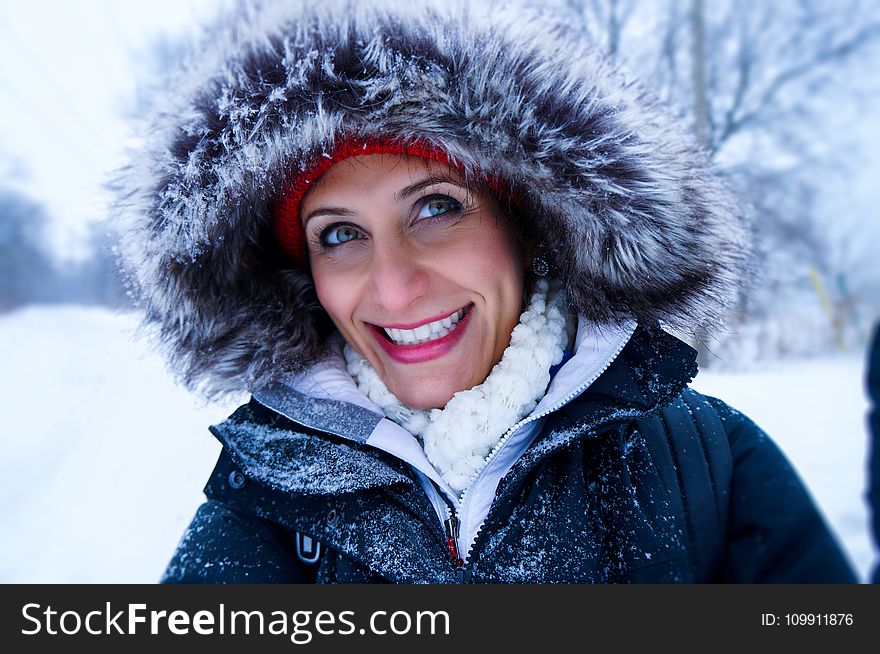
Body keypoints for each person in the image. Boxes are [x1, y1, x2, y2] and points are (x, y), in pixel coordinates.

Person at [116, 0, 856, 583]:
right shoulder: (273, 493)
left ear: (529, 223)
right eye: (339, 234)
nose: (396, 290)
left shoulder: (708, 463)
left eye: (437, 207)